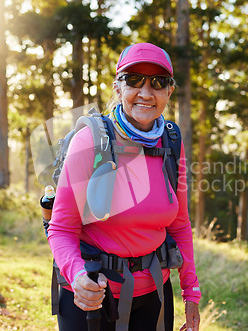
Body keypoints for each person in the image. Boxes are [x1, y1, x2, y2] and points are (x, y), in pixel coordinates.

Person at [47, 42, 201, 331]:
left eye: (158, 82)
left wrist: (191, 293)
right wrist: (79, 277)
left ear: (169, 91)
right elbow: (61, 229)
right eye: (133, 80)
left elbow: (179, 224)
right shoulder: (91, 141)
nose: (146, 92)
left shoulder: (171, 141)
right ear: (118, 88)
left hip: (155, 292)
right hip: (92, 295)